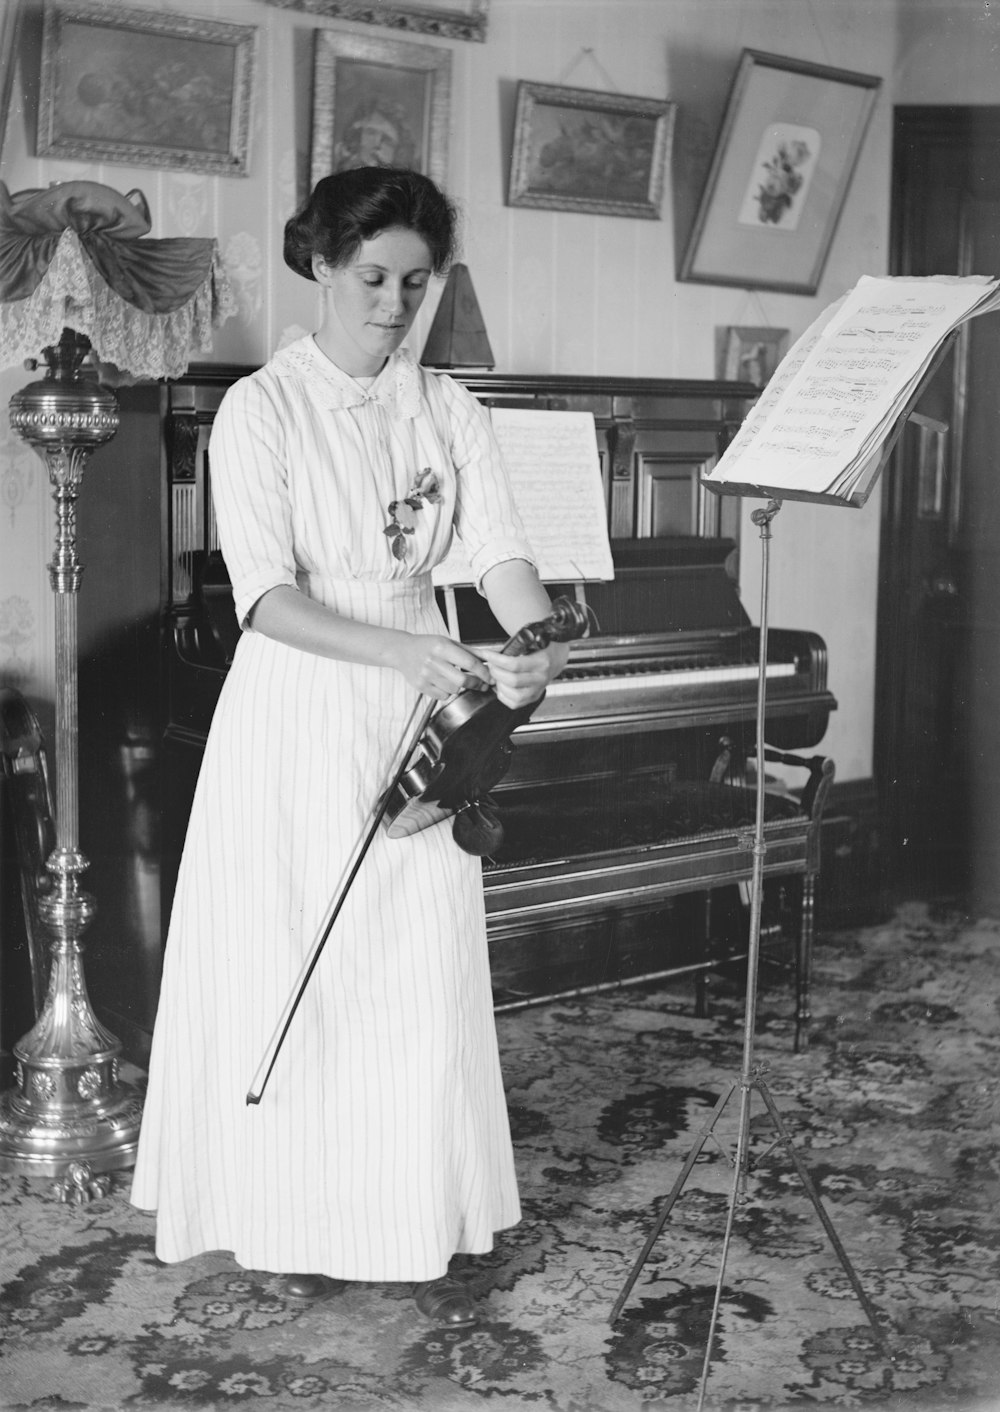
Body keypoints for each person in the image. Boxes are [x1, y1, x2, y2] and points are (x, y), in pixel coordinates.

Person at [130, 166, 570, 1329]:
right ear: (320, 267)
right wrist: (395, 655)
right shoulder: (261, 409)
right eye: (371, 277)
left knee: (408, 963)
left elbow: (500, 550)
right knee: (296, 956)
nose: (393, 303)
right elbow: (265, 598)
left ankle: (401, 1212)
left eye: (415, 282)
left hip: (425, 694)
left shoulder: (449, 408)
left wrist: (530, 639)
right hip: (306, 701)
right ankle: (286, 1211)